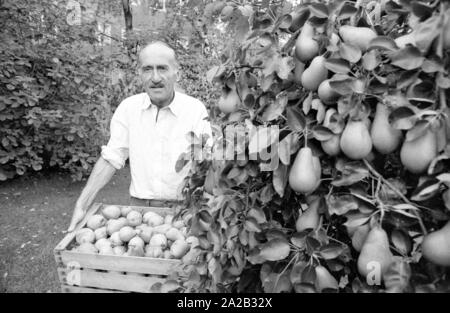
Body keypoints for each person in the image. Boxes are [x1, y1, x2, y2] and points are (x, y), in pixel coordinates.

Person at [67, 41, 212, 232]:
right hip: (139, 209)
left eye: (162, 68)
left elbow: (208, 161)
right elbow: (112, 157)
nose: (155, 77)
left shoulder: (194, 109)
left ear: (178, 73)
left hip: (184, 209)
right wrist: (82, 204)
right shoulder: (128, 109)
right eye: (147, 69)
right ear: (139, 74)